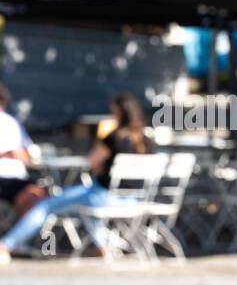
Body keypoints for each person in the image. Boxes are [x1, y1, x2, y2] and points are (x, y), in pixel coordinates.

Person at [0, 93, 154, 264]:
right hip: (134, 200)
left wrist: (101, 147)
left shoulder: (114, 137)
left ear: (119, 112)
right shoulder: (147, 140)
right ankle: (103, 249)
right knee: (84, 208)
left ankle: (5, 245)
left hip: (103, 197)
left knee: (45, 206)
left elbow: (92, 162)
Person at [0, 82, 46, 218]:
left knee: (37, 196)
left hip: (17, 179)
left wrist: (17, 154)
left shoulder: (12, 123)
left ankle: (16, 238)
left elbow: (28, 153)